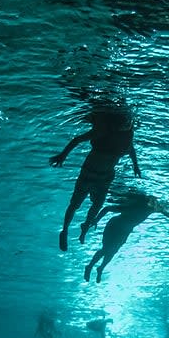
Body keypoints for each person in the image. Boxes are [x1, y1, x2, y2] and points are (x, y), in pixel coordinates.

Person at [49, 100, 141, 252]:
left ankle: (85, 226)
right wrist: (62, 156)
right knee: (75, 204)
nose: (126, 128)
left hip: (106, 176)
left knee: (97, 204)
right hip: (89, 173)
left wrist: (136, 166)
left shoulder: (127, 135)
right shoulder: (103, 131)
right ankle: (65, 230)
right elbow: (76, 140)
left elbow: (130, 149)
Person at [83, 193, 169, 283]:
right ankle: (90, 266)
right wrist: (96, 220)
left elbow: (161, 210)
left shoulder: (150, 208)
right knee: (106, 249)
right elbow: (107, 208)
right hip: (114, 226)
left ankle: (101, 268)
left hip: (125, 231)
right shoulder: (131, 207)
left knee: (113, 251)